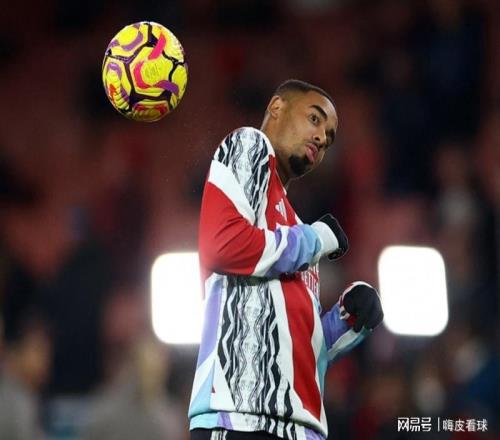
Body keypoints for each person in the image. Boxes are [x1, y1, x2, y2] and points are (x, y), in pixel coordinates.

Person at [189, 79, 384, 440]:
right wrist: (314, 239)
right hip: (240, 416)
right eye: (315, 119)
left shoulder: (295, 229)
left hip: (302, 428)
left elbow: (302, 350)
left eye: (329, 137)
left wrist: (349, 319)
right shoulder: (249, 144)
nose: (322, 138)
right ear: (276, 107)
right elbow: (222, 244)